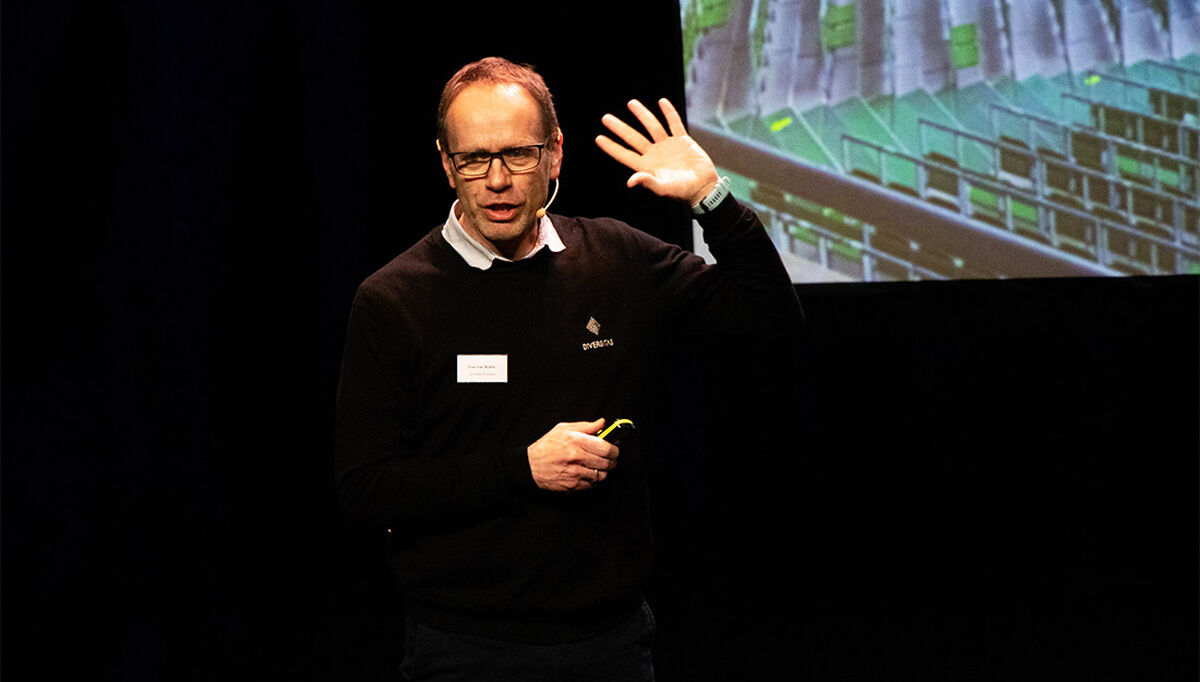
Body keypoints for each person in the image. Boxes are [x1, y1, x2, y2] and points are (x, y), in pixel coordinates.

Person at [335, 56, 803, 681]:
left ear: (555, 153)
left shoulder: (618, 259)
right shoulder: (393, 298)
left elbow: (773, 318)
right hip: (463, 648)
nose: (497, 180)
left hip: (607, 642)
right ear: (448, 164)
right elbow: (366, 488)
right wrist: (523, 469)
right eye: (475, 158)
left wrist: (711, 200)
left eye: (518, 154)